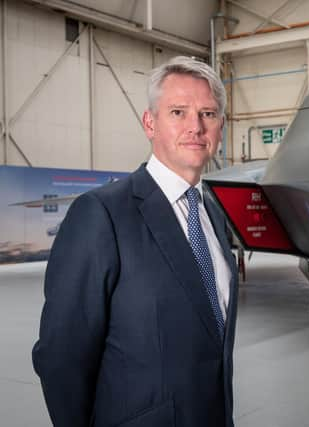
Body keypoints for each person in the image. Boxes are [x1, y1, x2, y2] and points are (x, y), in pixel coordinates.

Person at [32, 56, 238, 427]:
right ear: (149, 123)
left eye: (207, 114)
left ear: (220, 128)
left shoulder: (213, 213)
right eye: (178, 112)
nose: (195, 126)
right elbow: (60, 355)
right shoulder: (101, 214)